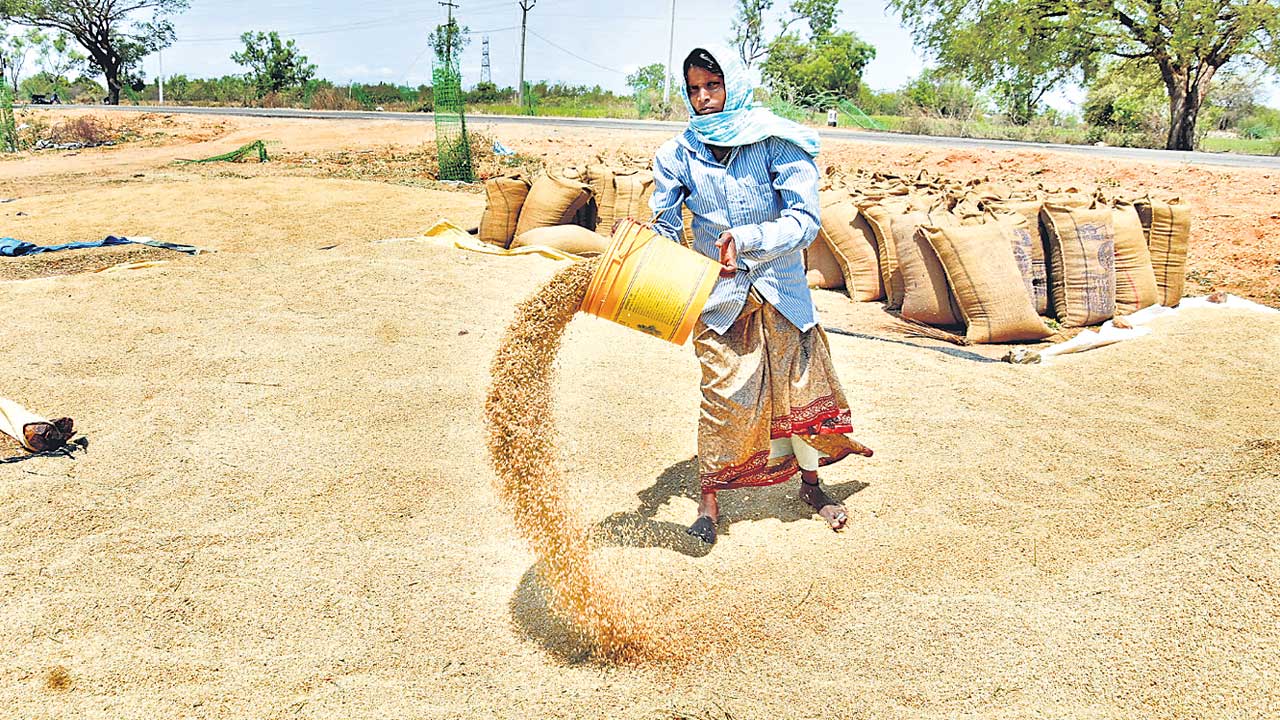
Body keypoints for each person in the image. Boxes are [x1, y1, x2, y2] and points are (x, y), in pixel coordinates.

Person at [649, 46, 872, 545]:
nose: (704, 98)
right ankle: (710, 496)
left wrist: (747, 240)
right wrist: (659, 249)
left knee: (799, 390)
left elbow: (804, 221)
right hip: (720, 294)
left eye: (713, 85)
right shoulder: (678, 153)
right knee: (722, 394)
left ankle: (812, 485)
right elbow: (664, 217)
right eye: (694, 89)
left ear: (734, 84)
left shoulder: (777, 142)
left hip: (780, 288)